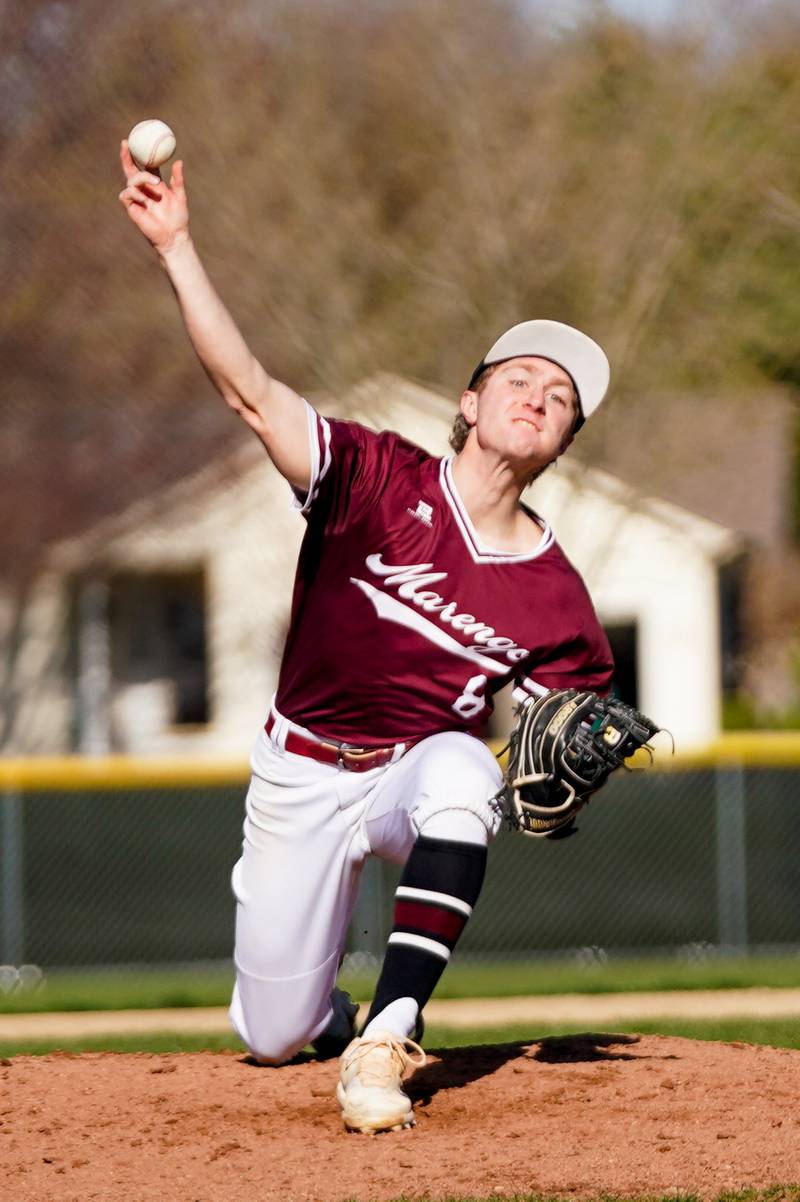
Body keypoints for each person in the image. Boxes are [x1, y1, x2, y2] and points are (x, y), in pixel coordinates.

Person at [119, 145, 614, 1134]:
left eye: (558, 399)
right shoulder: (375, 478)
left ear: (560, 444)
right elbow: (252, 392)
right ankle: (325, 1017)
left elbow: (578, 732)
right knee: (270, 1029)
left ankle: (386, 1031)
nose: (537, 396)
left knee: (464, 771)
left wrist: (577, 774)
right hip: (300, 769)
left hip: (409, 776)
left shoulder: (556, 593)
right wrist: (175, 246)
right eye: (517, 378)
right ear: (468, 402)